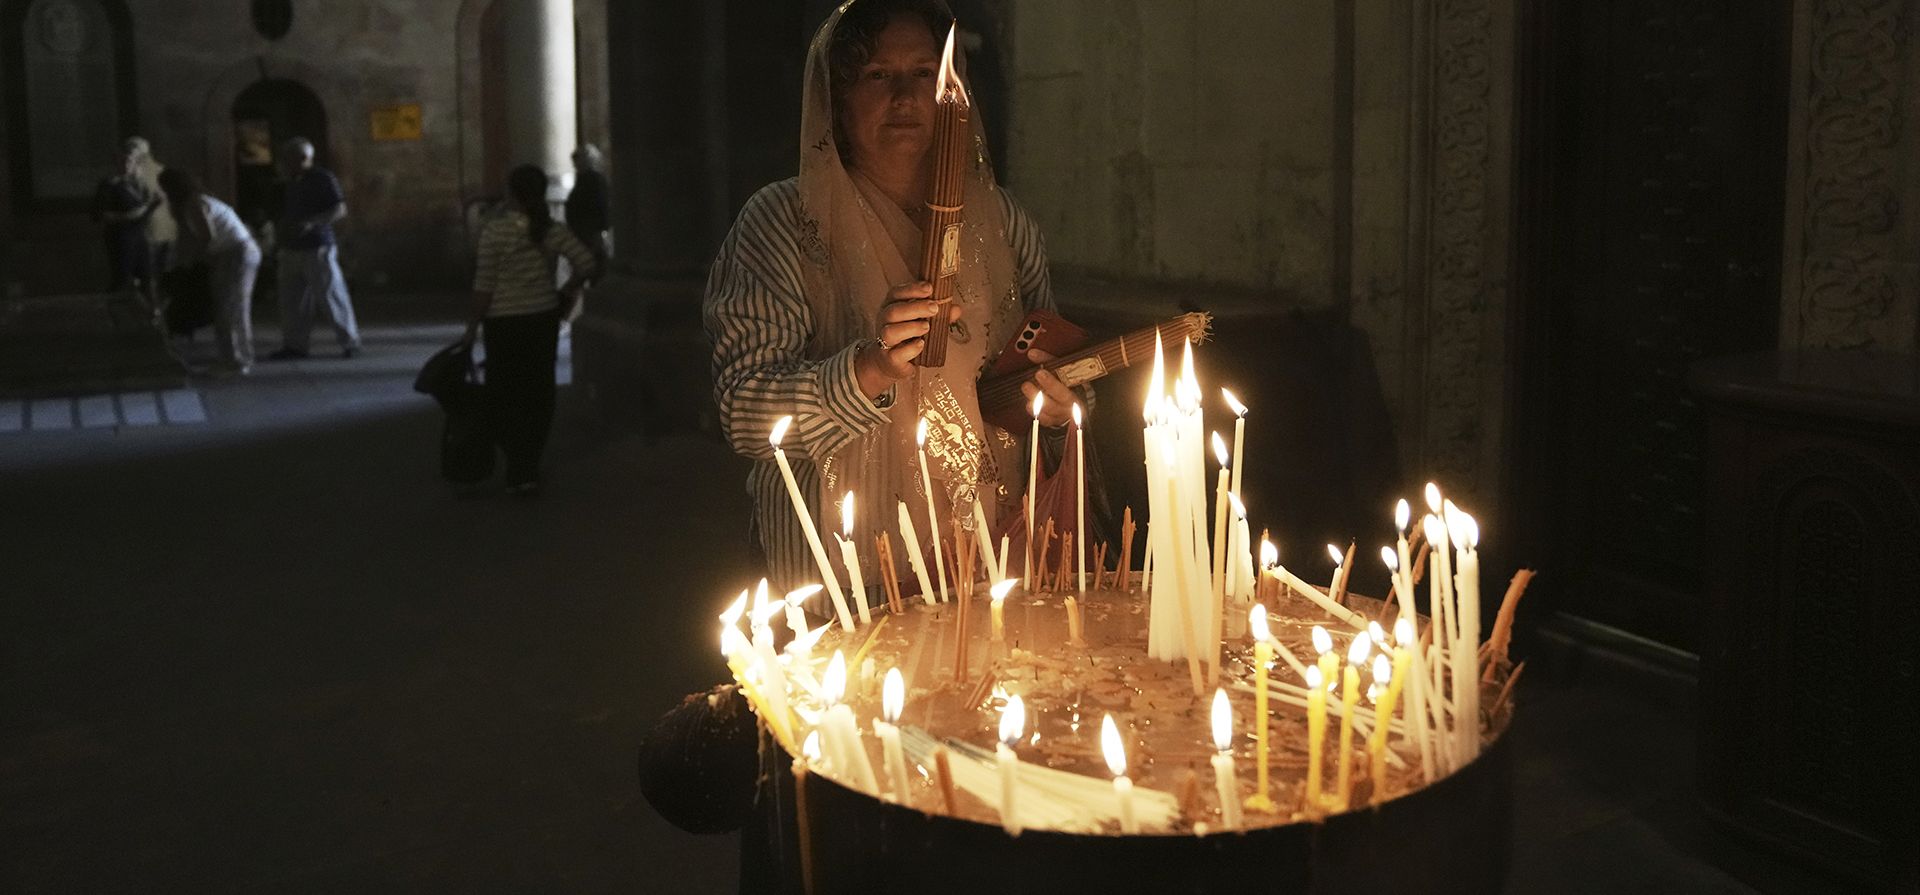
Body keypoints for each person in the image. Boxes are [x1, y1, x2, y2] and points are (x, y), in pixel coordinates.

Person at [704, 0, 1079, 596]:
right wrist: (870, 368)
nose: (904, 97)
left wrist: (1056, 413)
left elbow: (1033, 381)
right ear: (837, 96)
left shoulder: (1005, 223)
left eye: (924, 73)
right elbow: (746, 415)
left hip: (989, 557)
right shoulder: (783, 223)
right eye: (878, 75)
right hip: (839, 568)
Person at [463, 164, 600, 495]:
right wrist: (568, 291)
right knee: (538, 393)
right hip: (541, 320)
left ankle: (514, 459)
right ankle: (527, 468)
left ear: (511, 193)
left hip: (503, 324)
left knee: (505, 392)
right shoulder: (549, 229)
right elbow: (587, 263)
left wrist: (471, 329)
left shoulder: (494, 231)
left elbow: (484, 286)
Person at [157, 169, 261, 374]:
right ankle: (239, 357)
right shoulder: (199, 201)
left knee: (228, 309)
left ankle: (234, 360)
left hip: (234, 253)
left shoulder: (194, 204)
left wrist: (192, 260)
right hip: (238, 251)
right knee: (234, 307)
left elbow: (207, 237)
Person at [268, 137, 362, 360]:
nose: (286, 163)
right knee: (293, 300)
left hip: (317, 246)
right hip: (291, 247)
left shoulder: (322, 178)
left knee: (331, 294)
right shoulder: (292, 181)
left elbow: (339, 209)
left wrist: (312, 223)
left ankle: (350, 341)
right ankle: (295, 345)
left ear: (303, 158)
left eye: (290, 159)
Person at [92, 143, 162, 301]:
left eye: (129, 162)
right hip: (120, 238)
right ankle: (113, 311)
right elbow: (100, 215)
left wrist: (152, 206)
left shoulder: (136, 184)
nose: (125, 165)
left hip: (140, 236)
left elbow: (143, 212)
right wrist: (130, 215)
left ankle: (151, 315)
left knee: (147, 276)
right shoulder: (109, 185)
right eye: (121, 162)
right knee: (122, 278)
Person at [123, 137, 177, 277]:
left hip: (149, 231)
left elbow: (140, 203)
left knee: (148, 275)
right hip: (170, 229)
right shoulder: (162, 170)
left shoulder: (137, 175)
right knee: (166, 272)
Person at [564, 143, 611, 270]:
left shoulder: (595, 180)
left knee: (592, 266)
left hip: (591, 232)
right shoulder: (583, 179)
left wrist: (601, 231)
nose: (575, 165)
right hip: (582, 230)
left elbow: (601, 206)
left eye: (577, 160)